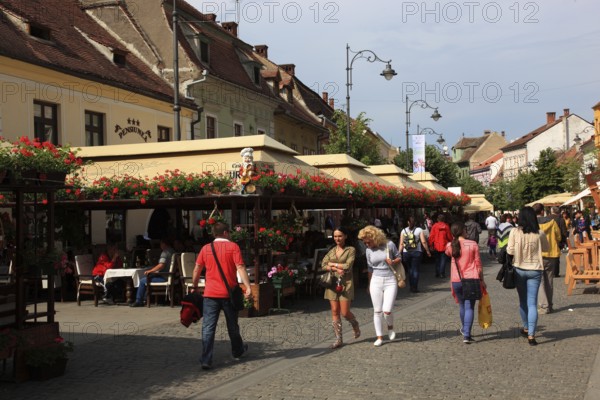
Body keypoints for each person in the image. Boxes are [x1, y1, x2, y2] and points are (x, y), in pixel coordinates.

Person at [192, 222, 252, 369]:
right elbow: (240, 267)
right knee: (232, 325)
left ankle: (206, 359)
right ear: (226, 233)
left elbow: (197, 268)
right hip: (228, 293)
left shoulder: (206, 249)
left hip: (210, 294)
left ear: (214, 233)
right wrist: (248, 286)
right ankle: (237, 350)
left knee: (208, 327)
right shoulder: (233, 247)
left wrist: (194, 286)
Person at [506, 206, 549, 346]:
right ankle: (531, 335)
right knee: (532, 303)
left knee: (523, 301)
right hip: (535, 269)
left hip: (519, 269)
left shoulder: (514, 232)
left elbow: (510, 250)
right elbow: (546, 248)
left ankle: (525, 327)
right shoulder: (540, 233)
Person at [358, 225, 402, 347]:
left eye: (368, 242)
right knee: (377, 311)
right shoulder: (368, 251)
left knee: (387, 310)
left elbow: (399, 257)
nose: (367, 245)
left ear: (375, 238)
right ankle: (379, 337)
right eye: (365, 242)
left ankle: (390, 328)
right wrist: (369, 284)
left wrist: (393, 261)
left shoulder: (390, 245)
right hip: (376, 281)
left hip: (390, 280)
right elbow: (370, 268)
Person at [445, 220, 484, 344]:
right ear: (462, 231)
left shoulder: (450, 245)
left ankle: (464, 328)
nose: (467, 231)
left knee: (462, 305)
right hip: (471, 278)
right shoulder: (472, 244)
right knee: (469, 307)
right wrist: (482, 280)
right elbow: (478, 264)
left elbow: (448, 252)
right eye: (466, 230)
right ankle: (467, 334)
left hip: (456, 279)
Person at [321, 227, 360, 349]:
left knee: (344, 312)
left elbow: (348, 266)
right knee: (334, 311)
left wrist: (332, 264)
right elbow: (323, 264)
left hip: (345, 284)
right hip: (332, 283)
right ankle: (339, 339)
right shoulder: (331, 251)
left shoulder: (350, 250)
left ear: (345, 236)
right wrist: (336, 268)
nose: (337, 238)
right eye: (335, 236)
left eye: (340, 236)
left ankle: (355, 324)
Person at [533, 203, 561, 315]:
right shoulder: (552, 222)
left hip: (537, 254)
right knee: (549, 280)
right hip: (551, 253)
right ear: (542, 211)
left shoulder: (532, 224)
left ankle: (544, 307)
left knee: (540, 281)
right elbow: (558, 236)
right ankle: (550, 304)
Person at [130, 238, 174, 307]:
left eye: (161, 244)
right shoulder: (173, 251)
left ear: (164, 244)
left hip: (164, 277)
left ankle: (139, 301)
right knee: (149, 278)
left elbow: (161, 265)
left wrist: (150, 271)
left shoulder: (165, 253)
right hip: (171, 276)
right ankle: (144, 299)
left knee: (143, 281)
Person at [398, 216, 431, 292]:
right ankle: (414, 287)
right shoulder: (419, 230)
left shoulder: (403, 231)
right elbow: (423, 242)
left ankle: (411, 286)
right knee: (415, 270)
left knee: (410, 270)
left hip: (406, 252)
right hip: (417, 252)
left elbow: (401, 244)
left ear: (408, 222)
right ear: (415, 222)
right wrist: (427, 251)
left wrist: (399, 253)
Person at [428, 214, 453, 279]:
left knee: (437, 260)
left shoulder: (434, 226)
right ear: (444, 219)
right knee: (443, 260)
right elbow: (449, 236)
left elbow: (431, 236)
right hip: (444, 245)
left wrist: (430, 244)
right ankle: (442, 273)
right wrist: (451, 241)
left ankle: (437, 273)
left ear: (437, 219)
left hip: (436, 245)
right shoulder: (446, 226)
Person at [548, 206, 567, 275]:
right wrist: (564, 241)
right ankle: (555, 272)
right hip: (557, 240)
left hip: (548, 238)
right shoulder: (561, 219)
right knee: (556, 256)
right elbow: (564, 231)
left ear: (552, 211)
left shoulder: (547, 219)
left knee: (549, 256)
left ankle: (550, 271)